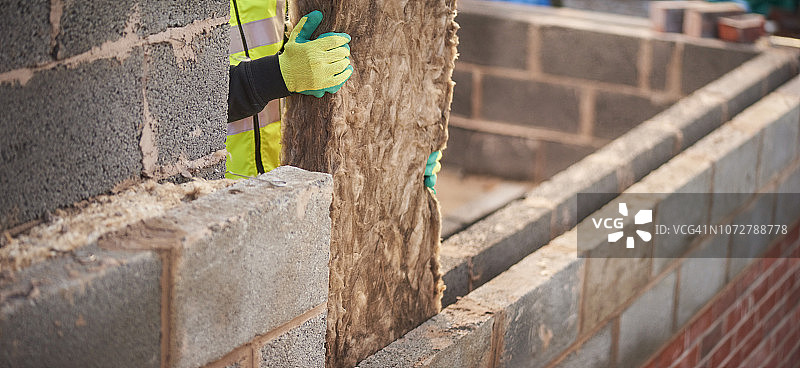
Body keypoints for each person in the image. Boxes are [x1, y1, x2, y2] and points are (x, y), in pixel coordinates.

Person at [226, 0, 442, 191]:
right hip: (211, 188)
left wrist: (404, 150)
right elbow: (194, 103)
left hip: (279, 178)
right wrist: (273, 76)